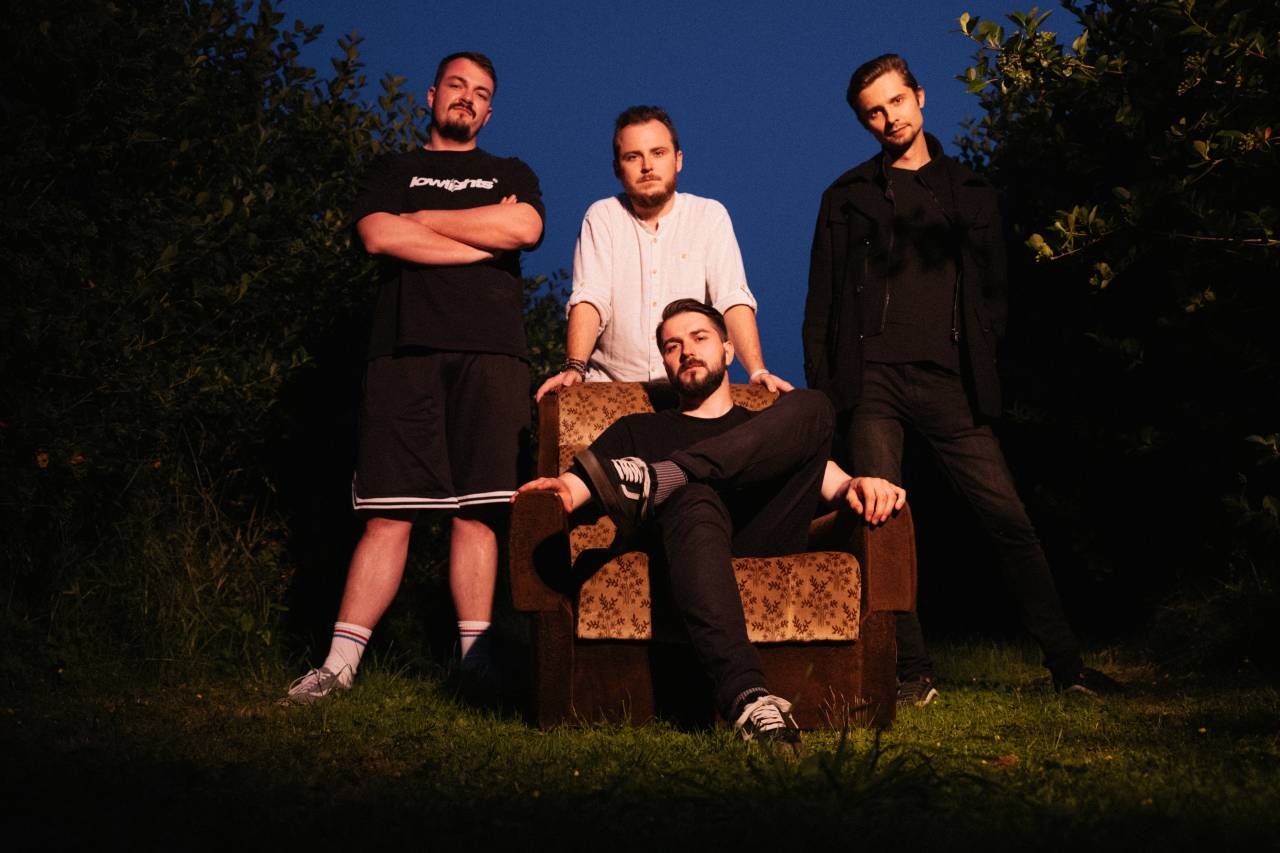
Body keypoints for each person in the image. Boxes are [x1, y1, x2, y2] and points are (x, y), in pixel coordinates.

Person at [802, 54, 1121, 704]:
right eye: (874, 112)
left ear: (920, 97)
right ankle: (913, 673)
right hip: (873, 383)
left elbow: (996, 293)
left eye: (896, 101)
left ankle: (1068, 668)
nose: (889, 118)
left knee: (1009, 518)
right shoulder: (846, 198)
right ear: (864, 122)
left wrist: (981, 357)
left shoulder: (971, 191)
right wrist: (828, 396)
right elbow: (821, 305)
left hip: (951, 383)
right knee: (883, 522)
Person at [516, 299, 905, 747]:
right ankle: (749, 699)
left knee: (814, 403)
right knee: (693, 497)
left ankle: (666, 477)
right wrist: (554, 492)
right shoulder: (638, 430)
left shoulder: (769, 426)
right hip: (688, 546)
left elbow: (836, 485)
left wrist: (862, 482)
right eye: (672, 346)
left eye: (699, 338)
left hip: (764, 533)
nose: (686, 351)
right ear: (664, 361)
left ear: (727, 349)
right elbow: (579, 485)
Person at [284, 52, 544, 704]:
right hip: (402, 354)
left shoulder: (510, 171)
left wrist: (421, 220)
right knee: (388, 513)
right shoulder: (393, 169)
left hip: (492, 355)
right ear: (431, 95)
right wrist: (481, 240)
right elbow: (377, 235)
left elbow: (526, 227)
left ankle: (475, 665)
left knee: (478, 514)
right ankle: (337, 666)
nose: (467, 98)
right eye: (457, 85)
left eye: (480, 92)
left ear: (489, 111)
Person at [534, 105, 793, 402]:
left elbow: (732, 298)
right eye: (633, 156)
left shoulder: (709, 216)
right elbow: (590, 297)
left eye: (658, 153)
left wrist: (757, 370)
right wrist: (574, 367)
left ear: (678, 159)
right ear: (618, 168)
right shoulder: (602, 216)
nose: (647, 166)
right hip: (612, 387)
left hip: (693, 391)